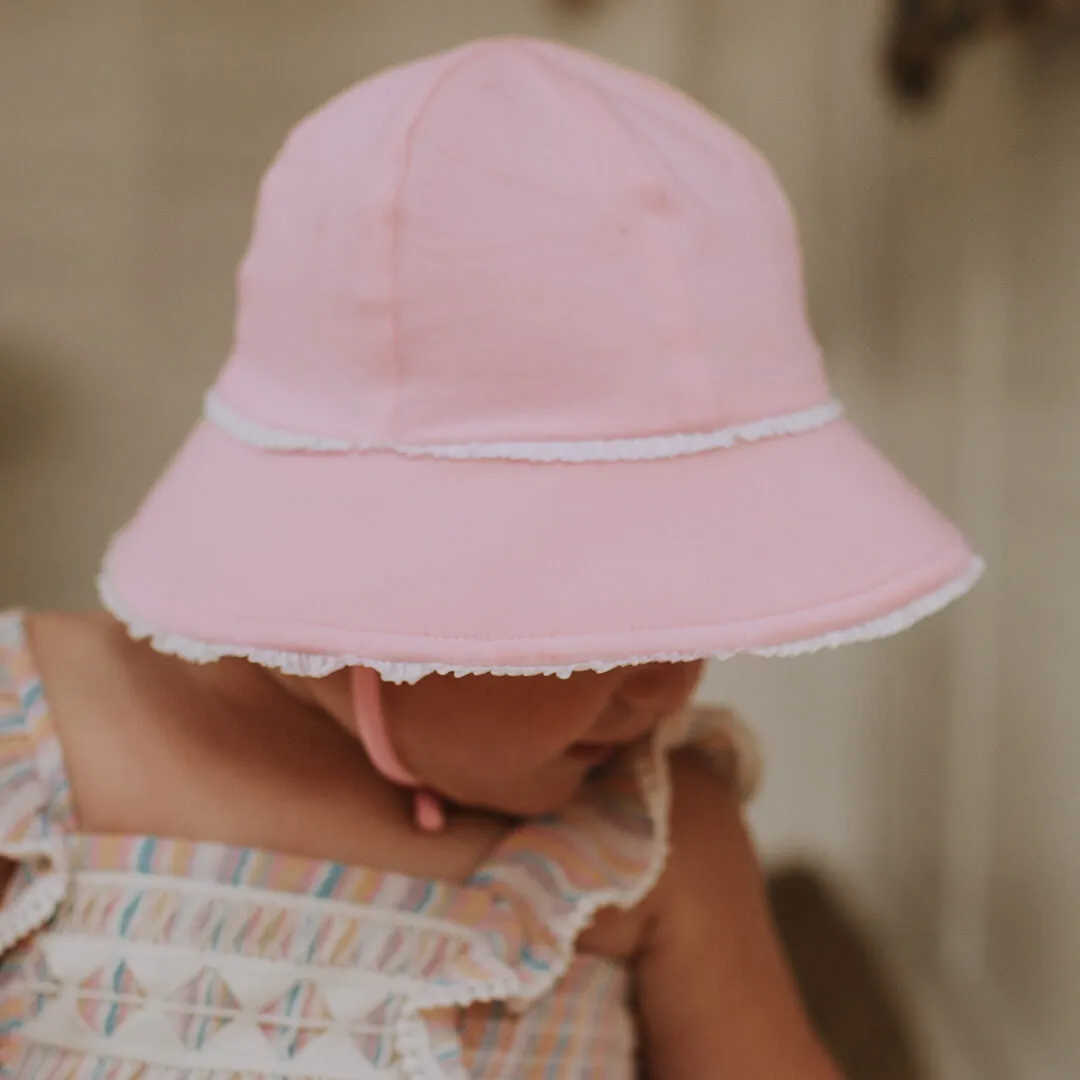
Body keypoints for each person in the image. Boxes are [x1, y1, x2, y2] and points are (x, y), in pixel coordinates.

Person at [0, 37, 981, 1079]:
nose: (673, 679)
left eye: (702, 601)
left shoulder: (651, 845)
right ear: (368, 559)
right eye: (605, 611)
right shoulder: (31, 754)